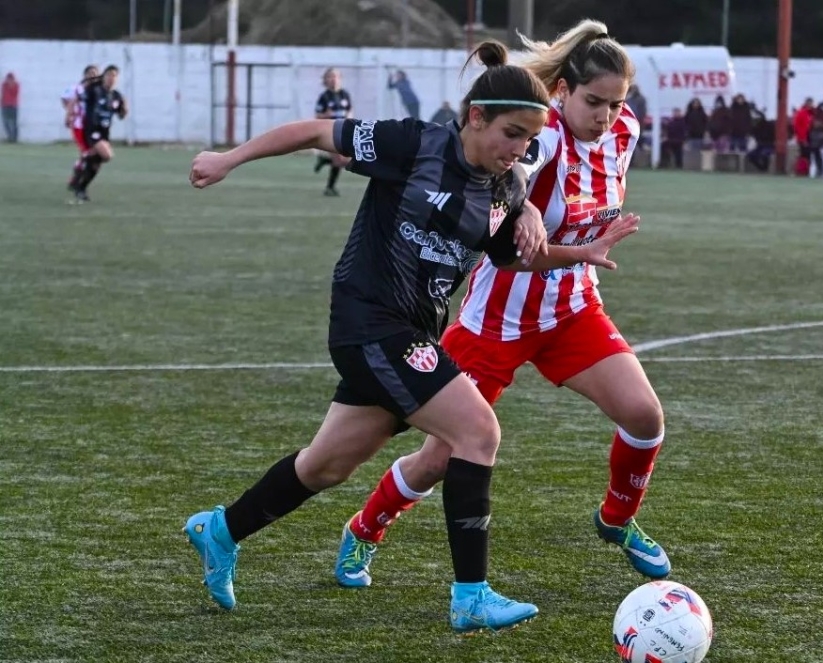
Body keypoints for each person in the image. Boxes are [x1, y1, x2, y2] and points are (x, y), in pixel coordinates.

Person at [182, 41, 639, 632]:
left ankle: (219, 530)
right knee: (477, 432)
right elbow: (314, 132)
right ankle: (470, 596)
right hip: (369, 321)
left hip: (411, 331)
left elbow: (510, 258)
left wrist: (579, 252)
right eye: (512, 134)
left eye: (529, 140)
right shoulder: (415, 143)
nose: (520, 151)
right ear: (475, 117)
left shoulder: (499, 188)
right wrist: (229, 158)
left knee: (325, 466)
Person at [333, 20, 672, 597]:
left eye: (617, 104)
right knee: (443, 455)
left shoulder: (624, 133)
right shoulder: (539, 139)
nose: (606, 115)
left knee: (645, 418)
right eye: (594, 101)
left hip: (571, 308)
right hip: (497, 320)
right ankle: (366, 527)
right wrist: (527, 208)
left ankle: (615, 519)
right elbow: (495, 164)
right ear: (562, 92)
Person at [68, 65, 127, 203]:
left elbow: (121, 115)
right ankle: (78, 177)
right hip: (91, 130)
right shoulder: (94, 90)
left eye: (114, 76)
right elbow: (77, 98)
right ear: (104, 76)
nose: (111, 78)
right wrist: (69, 114)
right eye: (109, 75)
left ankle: (80, 186)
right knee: (107, 155)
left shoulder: (116, 96)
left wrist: (125, 108)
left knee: (96, 163)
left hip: (105, 133)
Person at [312, 67, 353, 196]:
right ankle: (330, 187)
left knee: (341, 161)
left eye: (335, 77)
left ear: (340, 79)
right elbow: (318, 116)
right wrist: (326, 115)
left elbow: (350, 111)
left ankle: (324, 163)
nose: (333, 80)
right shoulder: (324, 97)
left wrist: (350, 119)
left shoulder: (344, 95)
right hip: (329, 132)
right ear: (326, 80)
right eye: (330, 77)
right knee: (340, 161)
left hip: (342, 131)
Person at [62, 65, 100, 186]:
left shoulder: (98, 90)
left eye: (95, 73)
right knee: (87, 152)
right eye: (90, 73)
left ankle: (76, 176)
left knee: (88, 154)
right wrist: (69, 113)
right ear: (85, 75)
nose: (93, 75)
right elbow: (64, 98)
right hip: (79, 125)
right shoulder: (77, 88)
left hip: (92, 126)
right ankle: (77, 179)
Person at [1, 72, 19, 143]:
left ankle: (14, 138)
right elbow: (3, 93)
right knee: (5, 122)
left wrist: (11, 86)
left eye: (10, 79)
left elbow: (15, 94)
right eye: (8, 79)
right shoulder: (4, 85)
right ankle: (9, 136)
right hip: (5, 105)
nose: (9, 81)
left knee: (13, 122)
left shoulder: (16, 85)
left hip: (13, 105)